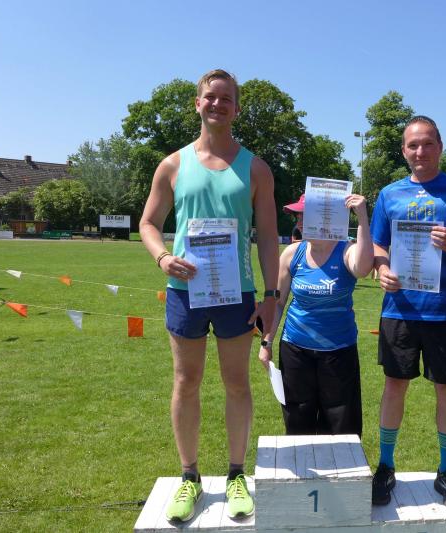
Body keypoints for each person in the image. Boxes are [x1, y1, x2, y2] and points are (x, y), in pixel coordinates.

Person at [139, 69, 280, 523]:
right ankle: (190, 477)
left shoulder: (256, 168)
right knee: (186, 382)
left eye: (226, 99)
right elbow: (148, 223)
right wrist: (163, 257)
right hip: (185, 292)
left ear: (236, 108)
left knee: (237, 383)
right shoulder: (173, 164)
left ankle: (237, 474)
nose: (217, 104)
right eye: (210, 97)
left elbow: (269, 236)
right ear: (198, 104)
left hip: (236, 293)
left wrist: (271, 294)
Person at [370, 115, 446, 511]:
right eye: (412, 145)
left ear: (440, 147)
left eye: (427, 144)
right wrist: (382, 268)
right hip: (401, 309)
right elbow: (378, 246)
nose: (419, 151)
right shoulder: (389, 194)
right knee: (394, 386)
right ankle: (385, 466)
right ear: (403, 151)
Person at [258, 193, 373, 436]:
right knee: (298, 423)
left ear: (324, 217)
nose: (298, 222)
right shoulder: (292, 253)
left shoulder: (346, 250)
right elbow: (278, 303)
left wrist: (362, 217)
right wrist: (266, 343)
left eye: (304, 216)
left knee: (342, 425)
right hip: (295, 350)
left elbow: (363, 269)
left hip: (339, 351)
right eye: (298, 217)